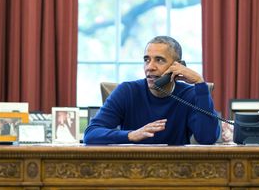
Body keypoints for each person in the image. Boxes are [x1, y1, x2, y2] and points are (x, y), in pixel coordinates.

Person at [84, 36, 220, 145]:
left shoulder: (189, 95)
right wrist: (131, 135)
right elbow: (91, 134)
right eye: (146, 60)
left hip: (177, 169)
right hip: (131, 169)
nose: (150, 67)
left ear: (177, 66)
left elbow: (207, 138)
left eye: (159, 60)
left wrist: (200, 84)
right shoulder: (127, 91)